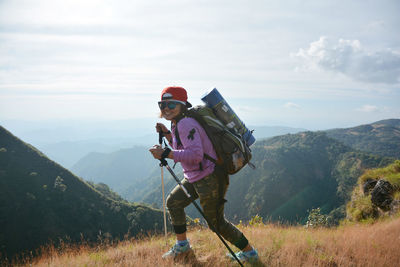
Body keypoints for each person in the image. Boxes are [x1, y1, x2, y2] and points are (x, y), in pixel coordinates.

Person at [149, 86, 258, 263]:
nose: (166, 109)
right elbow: (184, 148)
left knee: (216, 223)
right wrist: (168, 135)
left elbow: (195, 155)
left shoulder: (185, 123)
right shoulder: (179, 122)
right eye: (162, 105)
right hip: (196, 175)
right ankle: (182, 245)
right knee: (173, 202)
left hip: (210, 177)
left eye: (171, 104)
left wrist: (165, 154)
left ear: (182, 104)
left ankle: (250, 253)